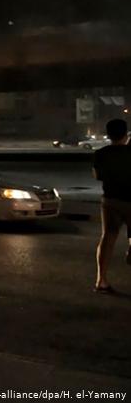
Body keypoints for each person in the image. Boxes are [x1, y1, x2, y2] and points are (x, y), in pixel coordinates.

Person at [93, 118, 131, 294]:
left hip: (111, 201)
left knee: (108, 238)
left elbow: (97, 176)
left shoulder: (100, 154)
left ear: (108, 134)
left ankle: (101, 280)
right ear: (126, 133)